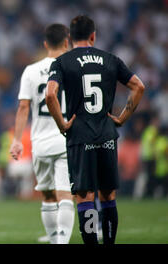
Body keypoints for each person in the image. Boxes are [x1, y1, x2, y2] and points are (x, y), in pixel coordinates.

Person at [45, 15, 145, 244]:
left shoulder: (62, 61)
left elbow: (50, 94)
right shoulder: (111, 59)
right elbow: (138, 86)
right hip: (107, 134)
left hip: (80, 136)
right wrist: (122, 118)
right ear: (93, 36)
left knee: (84, 195)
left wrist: (62, 123)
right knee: (108, 195)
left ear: (70, 38)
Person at [9, 24, 75, 244]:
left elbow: (23, 108)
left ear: (46, 43)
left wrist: (17, 140)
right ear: (67, 41)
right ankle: (61, 242)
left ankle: (53, 237)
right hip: (68, 139)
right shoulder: (74, 68)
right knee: (66, 194)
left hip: (41, 142)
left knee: (47, 195)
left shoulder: (31, 70)